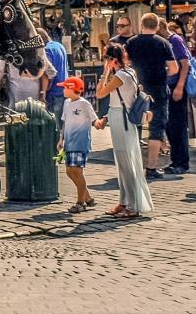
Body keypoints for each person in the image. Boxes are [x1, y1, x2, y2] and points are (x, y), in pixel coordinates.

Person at [96, 47, 151, 219]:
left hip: (123, 121)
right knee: (123, 162)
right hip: (119, 117)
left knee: (127, 162)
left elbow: (100, 93)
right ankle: (125, 201)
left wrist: (105, 71)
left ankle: (133, 205)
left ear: (113, 59)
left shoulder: (120, 76)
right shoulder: (130, 72)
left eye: (106, 58)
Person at [123, 13, 175, 179]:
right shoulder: (163, 43)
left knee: (134, 124)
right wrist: (163, 73)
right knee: (156, 128)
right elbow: (174, 68)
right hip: (158, 89)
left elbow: (126, 63)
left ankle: (133, 165)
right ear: (157, 26)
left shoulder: (131, 42)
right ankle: (151, 167)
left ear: (141, 25)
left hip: (138, 89)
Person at [59, 76, 97, 212]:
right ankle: (88, 198)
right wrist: (61, 139)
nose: (63, 90)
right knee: (69, 171)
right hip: (69, 143)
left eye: (64, 87)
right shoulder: (66, 103)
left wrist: (101, 123)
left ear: (71, 89)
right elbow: (65, 122)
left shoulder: (84, 104)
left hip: (81, 143)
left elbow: (94, 120)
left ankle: (80, 202)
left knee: (77, 171)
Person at [163, 16, 194, 176]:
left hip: (176, 86)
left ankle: (182, 162)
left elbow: (185, 64)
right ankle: (175, 161)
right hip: (168, 86)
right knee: (169, 125)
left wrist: (180, 87)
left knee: (178, 125)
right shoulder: (167, 41)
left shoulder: (175, 40)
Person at [41, 24, 71, 121]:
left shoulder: (46, 50)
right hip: (63, 88)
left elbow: (50, 72)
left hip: (54, 91)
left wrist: (44, 91)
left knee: (54, 122)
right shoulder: (59, 45)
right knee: (62, 120)